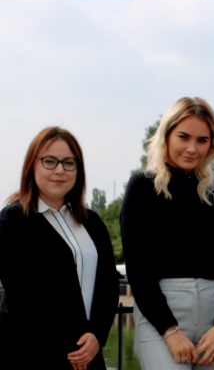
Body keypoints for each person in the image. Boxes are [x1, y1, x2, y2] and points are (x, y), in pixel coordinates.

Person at [121, 97, 214, 369]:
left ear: (212, 144)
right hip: (161, 317)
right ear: (166, 135)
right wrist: (169, 329)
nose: (192, 148)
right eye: (184, 137)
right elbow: (138, 268)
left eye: (202, 140)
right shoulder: (142, 187)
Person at [0, 127, 120, 370]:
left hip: (87, 352)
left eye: (69, 163)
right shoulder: (13, 220)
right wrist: (71, 343)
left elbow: (108, 285)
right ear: (32, 165)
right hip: (30, 352)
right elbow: (23, 296)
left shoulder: (92, 223)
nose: (59, 170)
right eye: (49, 161)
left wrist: (97, 335)